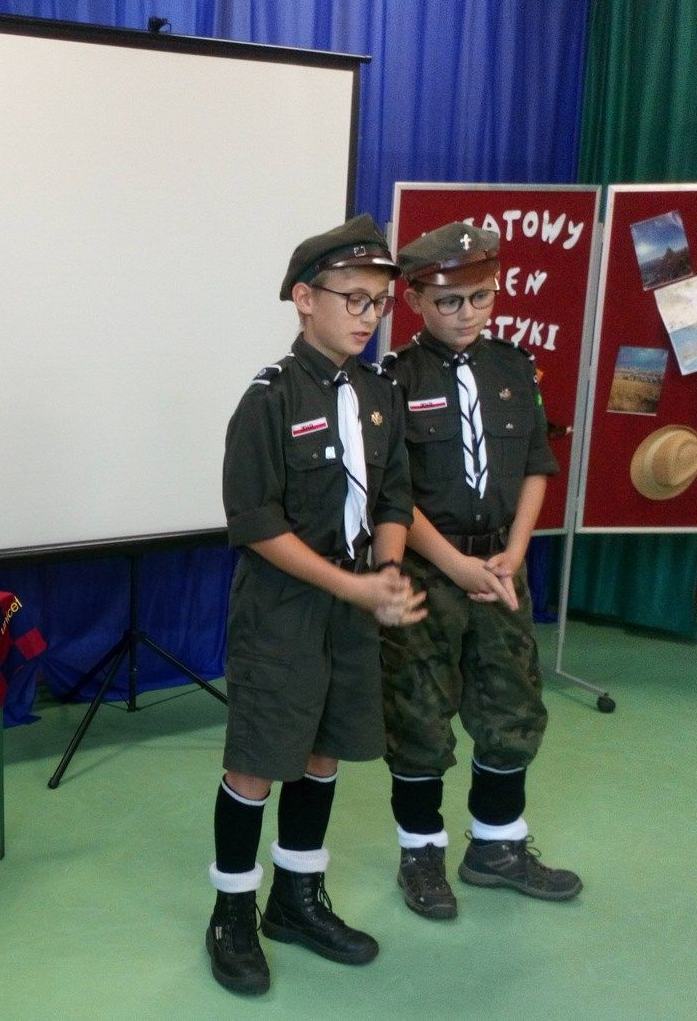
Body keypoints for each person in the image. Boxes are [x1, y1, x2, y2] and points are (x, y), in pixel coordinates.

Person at [207, 214, 427, 996]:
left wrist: (387, 571)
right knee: (260, 758)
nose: (368, 317)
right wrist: (351, 585)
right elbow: (254, 520)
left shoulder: (378, 393)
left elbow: (393, 494)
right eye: (353, 299)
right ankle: (233, 910)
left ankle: (296, 898)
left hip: (353, 605)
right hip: (284, 609)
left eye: (379, 303)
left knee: (324, 748)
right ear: (305, 298)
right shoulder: (269, 398)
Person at [378, 221, 581, 924]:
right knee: (419, 714)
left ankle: (497, 846)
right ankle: (421, 855)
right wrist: (453, 562)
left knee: (511, 705)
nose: (468, 313)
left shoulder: (514, 368)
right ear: (415, 301)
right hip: (430, 573)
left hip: (500, 567)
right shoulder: (396, 379)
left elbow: (536, 465)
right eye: (449, 301)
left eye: (482, 297)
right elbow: (391, 492)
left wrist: (515, 552)